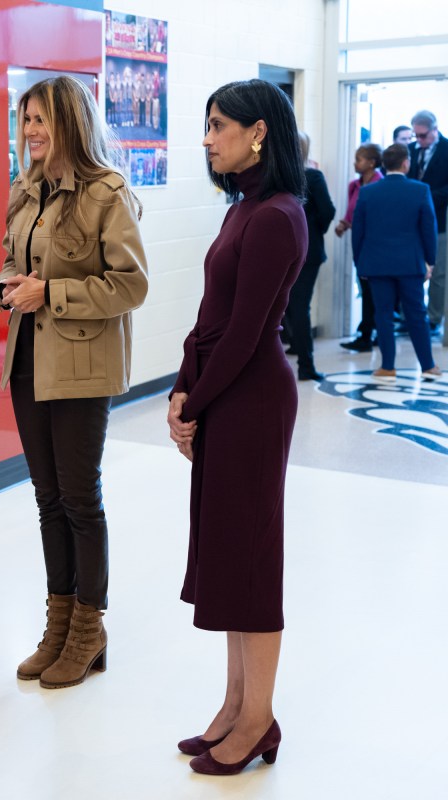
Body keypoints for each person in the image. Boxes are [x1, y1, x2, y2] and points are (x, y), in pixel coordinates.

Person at [167, 79, 307, 776]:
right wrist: (180, 387)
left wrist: (195, 403)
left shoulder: (278, 215)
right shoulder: (243, 209)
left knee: (251, 559)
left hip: (252, 402)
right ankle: (233, 706)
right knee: (228, 555)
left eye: (218, 125)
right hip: (226, 395)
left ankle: (258, 719)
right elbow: (209, 314)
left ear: (258, 133)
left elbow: (248, 333)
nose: (207, 137)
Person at [0, 76, 148, 690]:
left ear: (71, 124)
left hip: (82, 366)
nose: (31, 131)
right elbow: (13, 259)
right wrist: (10, 282)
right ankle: (59, 625)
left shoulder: (108, 193)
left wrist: (49, 292)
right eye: (26, 119)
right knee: (48, 499)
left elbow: (131, 286)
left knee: (80, 498)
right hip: (28, 360)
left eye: (42, 120)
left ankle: (90, 630)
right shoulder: (24, 188)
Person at [352, 144, 443, 382]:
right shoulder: (421, 190)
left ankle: (388, 367)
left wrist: (359, 262)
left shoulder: (368, 192)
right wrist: (429, 261)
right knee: (417, 314)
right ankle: (428, 366)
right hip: (410, 264)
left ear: (384, 164)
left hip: (377, 264)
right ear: (406, 163)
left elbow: (358, 232)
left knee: (382, 314)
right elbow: (429, 230)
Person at [285, 132, 335, 381]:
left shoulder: (279, 179)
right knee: (300, 305)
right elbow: (328, 210)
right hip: (308, 250)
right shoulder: (312, 177)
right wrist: (315, 230)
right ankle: (306, 366)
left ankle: (296, 344)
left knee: (287, 302)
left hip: (282, 250)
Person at [335, 143, 384, 352]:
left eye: (359, 159)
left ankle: (370, 333)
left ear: (372, 163)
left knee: (374, 289)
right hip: (359, 242)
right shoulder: (354, 185)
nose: (355, 163)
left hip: (375, 244)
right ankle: (367, 331)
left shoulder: (380, 184)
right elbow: (351, 212)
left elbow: (380, 217)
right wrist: (344, 224)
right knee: (364, 288)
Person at [409, 110, 448, 338]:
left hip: (439, 219)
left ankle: (434, 318)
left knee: (439, 273)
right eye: (416, 136)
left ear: (434, 130)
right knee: (411, 269)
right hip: (413, 222)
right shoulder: (412, 151)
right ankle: (410, 317)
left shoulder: (446, 149)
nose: (419, 141)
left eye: (423, 136)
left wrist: (426, 196)